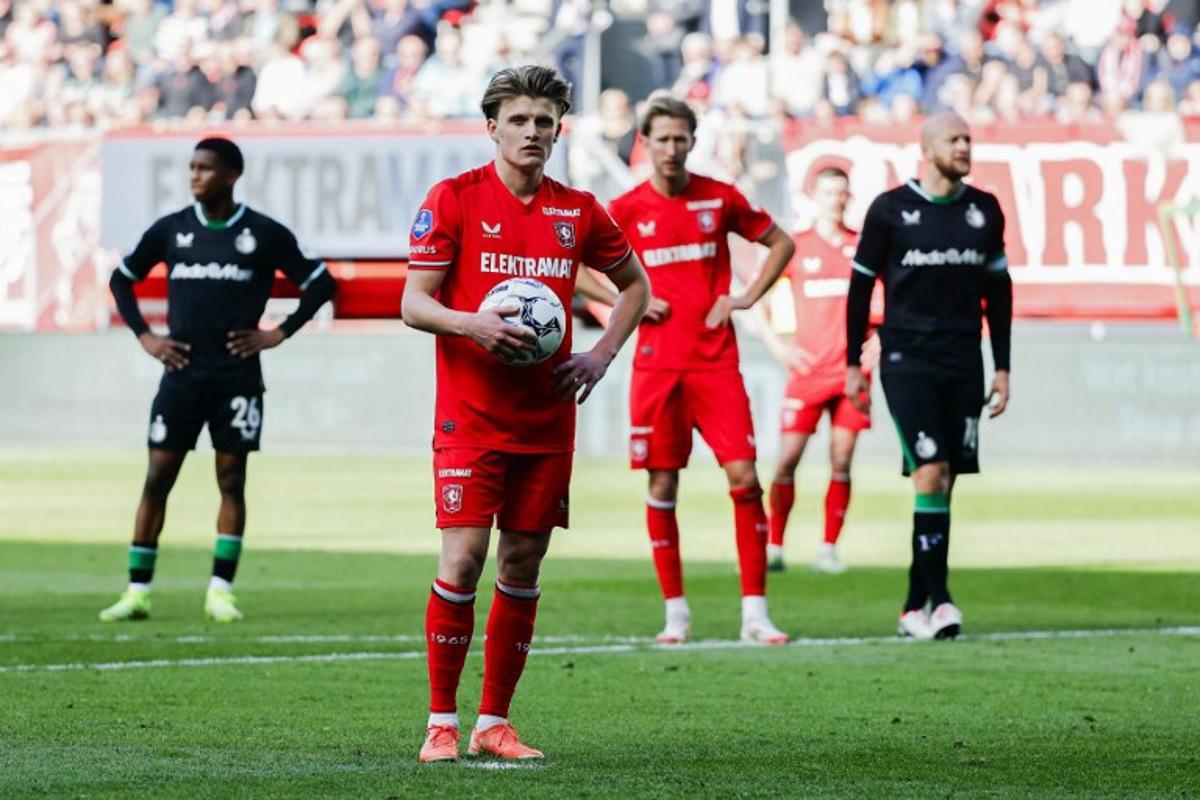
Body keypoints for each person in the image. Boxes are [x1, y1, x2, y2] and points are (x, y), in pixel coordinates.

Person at [401, 65, 650, 763]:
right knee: (464, 557)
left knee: (523, 561)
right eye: (519, 120)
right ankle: (440, 723)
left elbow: (636, 286)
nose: (532, 132)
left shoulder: (580, 210)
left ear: (559, 130)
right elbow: (413, 302)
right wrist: (471, 325)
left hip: (546, 420)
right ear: (493, 127)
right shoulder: (453, 199)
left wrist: (601, 353)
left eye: (544, 121)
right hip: (469, 417)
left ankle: (494, 723)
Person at [101, 137, 337, 623]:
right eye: (191, 167)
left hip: (237, 376)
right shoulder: (172, 230)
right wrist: (147, 336)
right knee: (157, 478)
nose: (194, 176)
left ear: (231, 175)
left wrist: (278, 333)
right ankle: (137, 591)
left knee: (232, 479)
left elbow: (321, 282)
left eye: (204, 168)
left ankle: (220, 590)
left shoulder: (262, 233)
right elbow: (122, 278)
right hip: (181, 375)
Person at [606, 94, 796, 646]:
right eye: (660, 138)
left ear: (692, 141)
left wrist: (744, 298)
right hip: (657, 367)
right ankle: (676, 613)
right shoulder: (625, 209)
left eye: (680, 138)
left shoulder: (719, 198)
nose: (671, 148)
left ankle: (756, 613)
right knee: (663, 483)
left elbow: (781, 242)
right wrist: (633, 302)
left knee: (745, 478)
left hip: (716, 363)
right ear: (645, 143)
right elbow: (575, 268)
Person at [845, 112, 1012, 641]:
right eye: (954, 139)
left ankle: (913, 605)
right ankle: (941, 602)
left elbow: (1000, 293)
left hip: (965, 361)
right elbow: (859, 289)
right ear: (927, 148)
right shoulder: (891, 210)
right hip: (906, 360)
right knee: (932, 470)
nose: (964, 147)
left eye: (969, 139)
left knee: (944, 483)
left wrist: (1003, 365)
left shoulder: (984, 210)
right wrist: (853, 363)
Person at [759, 166, 872, 575]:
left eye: (841, 192)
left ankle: (828, 547)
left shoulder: (861, 246)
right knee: (787, 460)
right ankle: (774, 545)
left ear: (849, 196)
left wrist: (872, 349)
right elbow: (758, 298)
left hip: (851, 374)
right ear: (815, 196)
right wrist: (778, 346)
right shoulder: (797, 246)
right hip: (806, 372)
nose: (835, 199)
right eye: (828, 192)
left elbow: (888, 306)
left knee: (841, 460)